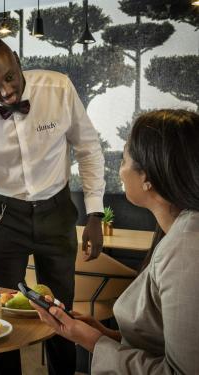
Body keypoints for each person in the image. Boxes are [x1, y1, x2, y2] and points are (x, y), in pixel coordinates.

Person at [0, 34, 105, 375]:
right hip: (4, 215)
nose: (5, 91)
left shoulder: (58, 88)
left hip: (57, 209)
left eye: (9, 77)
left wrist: (95, 212)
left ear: (17, 60)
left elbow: (88, 148)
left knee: (60, 311)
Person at [32, 109, 199, 374]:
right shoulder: (180, 234)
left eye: (123, 159)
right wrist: (107, 335)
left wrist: (89, 339)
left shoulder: (187, 250)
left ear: (147, 178)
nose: (120, 171)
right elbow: (161, 343)